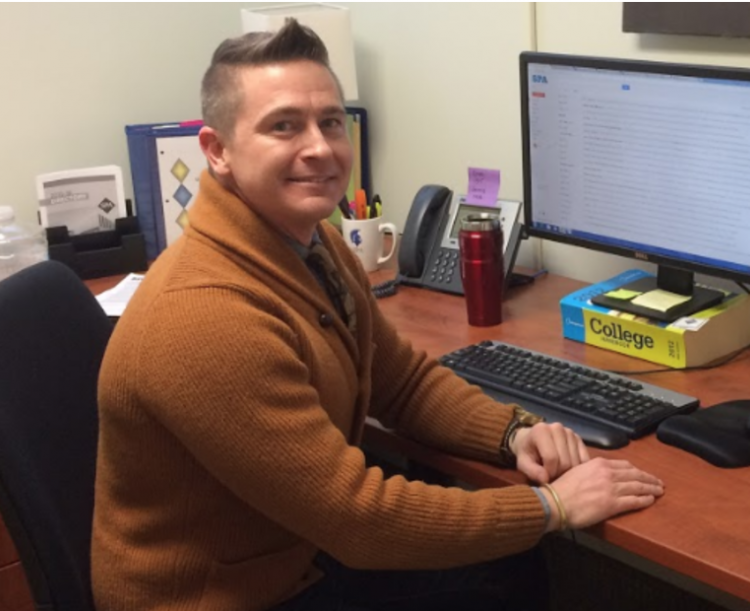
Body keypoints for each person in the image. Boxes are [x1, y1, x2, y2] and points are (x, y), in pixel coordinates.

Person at [91, 19, 664, 611]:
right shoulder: (205, 317)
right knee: (505, 569)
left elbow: (402, 380)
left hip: (290, 553)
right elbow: (357, 521)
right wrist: (553, 507)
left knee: (505, 562)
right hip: (228, 596)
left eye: (330, 122)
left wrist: (512, 432)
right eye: (283, 126)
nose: (319, 147)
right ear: (218, 151)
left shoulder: (312, 243)